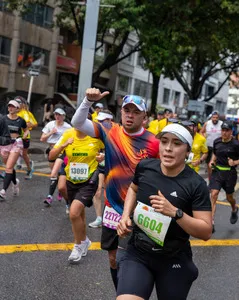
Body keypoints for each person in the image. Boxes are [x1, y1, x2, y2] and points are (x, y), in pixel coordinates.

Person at [72, 89, 159, 290]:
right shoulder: (110, 130)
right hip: (112, 207)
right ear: (121, 112)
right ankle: (121, 292)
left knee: (136, 259)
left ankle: (132, 292)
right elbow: (77, 123)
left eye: (135, 112)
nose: (130, 115)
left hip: (140, 209)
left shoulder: (154, 142)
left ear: (144, 117)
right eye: (126, 110)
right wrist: (87, 101)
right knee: (113, 258)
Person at [116, 123, 212, 300]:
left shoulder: (196, 184)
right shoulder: (145, 167)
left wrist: (176, 213)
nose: (168, 148)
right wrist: (125, 216)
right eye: (164, 141)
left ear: (188, 150)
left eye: (176, 143)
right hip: (139, 252)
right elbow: (133, 189)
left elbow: (206, 231)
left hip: (173, 257)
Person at [49, 128, 103, 263]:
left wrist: (103, 157)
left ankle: (78, 245)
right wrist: (63, 145)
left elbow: (114, 152)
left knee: (73, 213)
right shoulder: (68, 134)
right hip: (71, 180)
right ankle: (85, 241)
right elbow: (51, 156)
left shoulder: (96, 136)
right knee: (79, 214)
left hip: (89, 181)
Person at [209, 121, 239, 233]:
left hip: (230, 174)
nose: (224, 133)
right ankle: (211, 222)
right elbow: (215, 153)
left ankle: (234, 208)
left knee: (229, 197)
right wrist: (212, 162)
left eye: (227, 130)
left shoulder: (236, 144)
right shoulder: (217, 141)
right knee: (214, 194)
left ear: (231, 132)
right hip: (217, 172)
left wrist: (234, 162)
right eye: (223, 130)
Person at [40, 108, 71, 205]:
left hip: (62, 151)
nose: (57, 117)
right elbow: (42, 139)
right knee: (54, 173)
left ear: (63, 116)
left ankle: (49, 196)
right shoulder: (50, 125)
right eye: (56, 114)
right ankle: (60, 190)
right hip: (52, 150)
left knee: (55, 173)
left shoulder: (68, 127)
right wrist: (51, 132)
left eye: (60, 115)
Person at [88, 111, 113, 228]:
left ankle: (114, 218)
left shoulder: (117, 133)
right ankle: (99, 218)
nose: (99, 123)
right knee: (97, 192)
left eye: (102, 121)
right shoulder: (97, 133)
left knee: (109, 194)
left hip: (114, 169)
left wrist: (107, 155)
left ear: (109, 121)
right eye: (98, 121)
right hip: (101, 166)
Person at [0, 100, 29, 200]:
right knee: (10, 167)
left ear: (17, 109)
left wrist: (25, 135)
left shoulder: (21, 120)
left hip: (16, 143)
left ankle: (3, 191)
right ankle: (15, 183)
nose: (10, 108)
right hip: (4, 144)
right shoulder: (3, 119)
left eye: (12, 106)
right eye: (9, 106)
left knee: (8, 167)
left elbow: (26, 129)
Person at [15, 96, 37, 179]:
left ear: (22, 104)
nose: (17, 104)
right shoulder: (14, 112)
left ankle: (29, 167)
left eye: (18, 102)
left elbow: (29, 123)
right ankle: (10, 171)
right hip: (15, 137)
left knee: (23, 154)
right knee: (13, 152)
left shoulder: (25, 113)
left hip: (24, 137)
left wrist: (27, 128)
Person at [201, 111, 223, 179]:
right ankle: (210, 178)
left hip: (218, 147)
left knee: (214, 163)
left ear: (218, 118)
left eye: (216, 118)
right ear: (211, 117)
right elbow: (201, 132)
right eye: (214, 117)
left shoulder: (221, 124)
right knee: (209, 164)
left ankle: (214, 176)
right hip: (209, 146)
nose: (215, 119)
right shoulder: (207, 123)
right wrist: (203, 137)